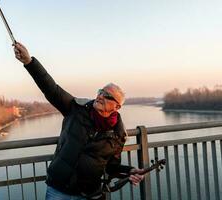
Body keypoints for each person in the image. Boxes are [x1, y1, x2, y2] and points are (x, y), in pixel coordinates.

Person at [13, 42, 144, 200]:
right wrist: (29, 62)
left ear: (116, 107)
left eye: (107, 95)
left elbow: (111, 167)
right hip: (58, 189)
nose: (100, 96)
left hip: (89, 194)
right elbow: (50, 88)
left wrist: (129, 171)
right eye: (100, 91)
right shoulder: (75, 108)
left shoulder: (118, 135)